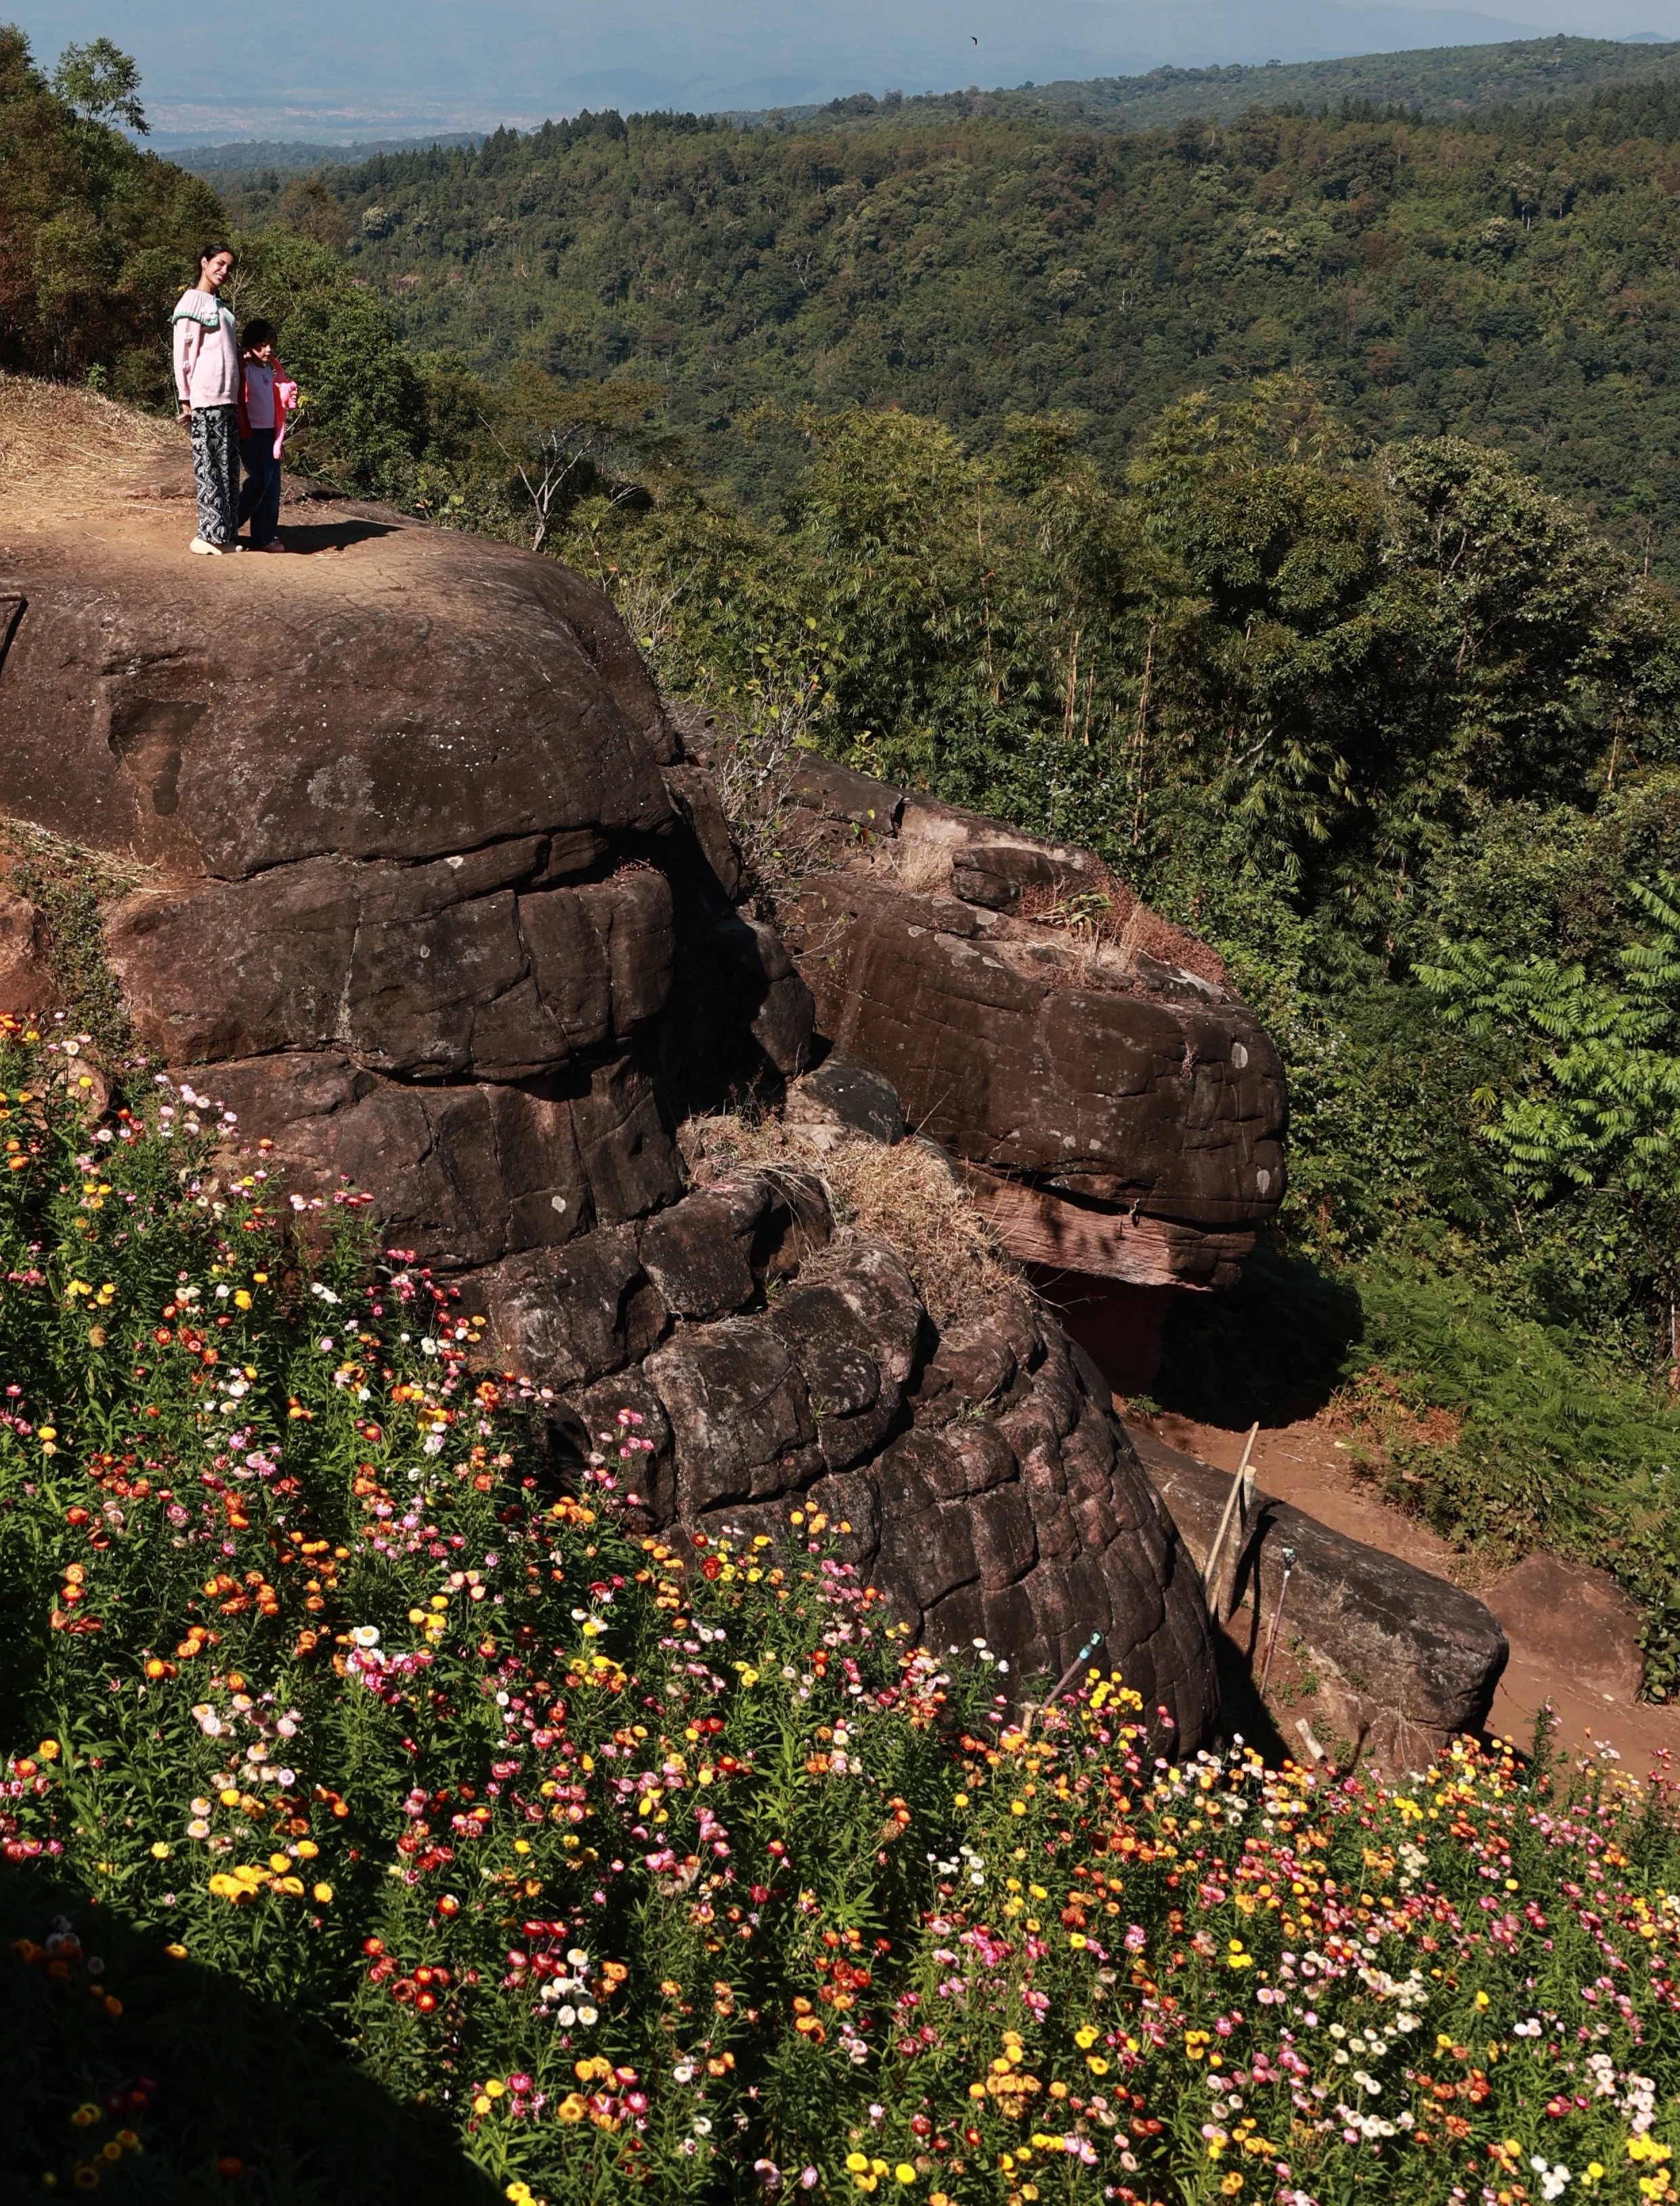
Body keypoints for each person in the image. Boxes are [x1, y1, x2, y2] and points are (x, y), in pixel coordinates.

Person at [171, 245, 241, 556]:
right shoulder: (191, 301)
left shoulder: (220, 305)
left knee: (228, 469)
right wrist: (186, 398)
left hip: (227, 399)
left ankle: (224, 534)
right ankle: (205, 536)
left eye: (228, 266)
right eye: (219, 263)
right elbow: (183, 354)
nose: (224, 271)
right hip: (205, 398)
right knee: (209, 466)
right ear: (204, 263)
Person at [235, 320, 296, 551]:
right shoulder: (246, 370)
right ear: (251, 345)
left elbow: (276, 401)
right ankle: (229, 525)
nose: (269, 349)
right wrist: (243, 356)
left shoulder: (268, 372)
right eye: (262, 344)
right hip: (252, 434)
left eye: (271, 344)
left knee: (271, 487)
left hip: (270, 435)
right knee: (260, 482)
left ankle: (264, 536)